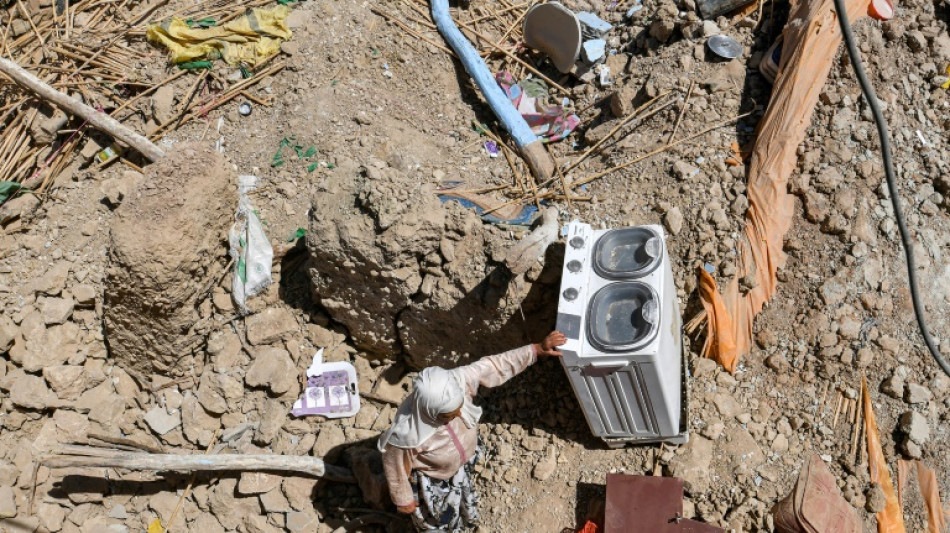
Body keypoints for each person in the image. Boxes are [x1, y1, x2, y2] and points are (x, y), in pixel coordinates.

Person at [378, 331, 568, 532]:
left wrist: (536, 349)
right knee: (440, 518)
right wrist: (403, 499)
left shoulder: (457, 381)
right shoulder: (406, 435)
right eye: (448, 415)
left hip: (461, 464)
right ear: (430, 413)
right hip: (436, 479)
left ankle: (467, 520)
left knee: (464, 499)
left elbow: (494, 365)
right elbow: (395, 466)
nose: (460, 413)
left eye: (459, 406)